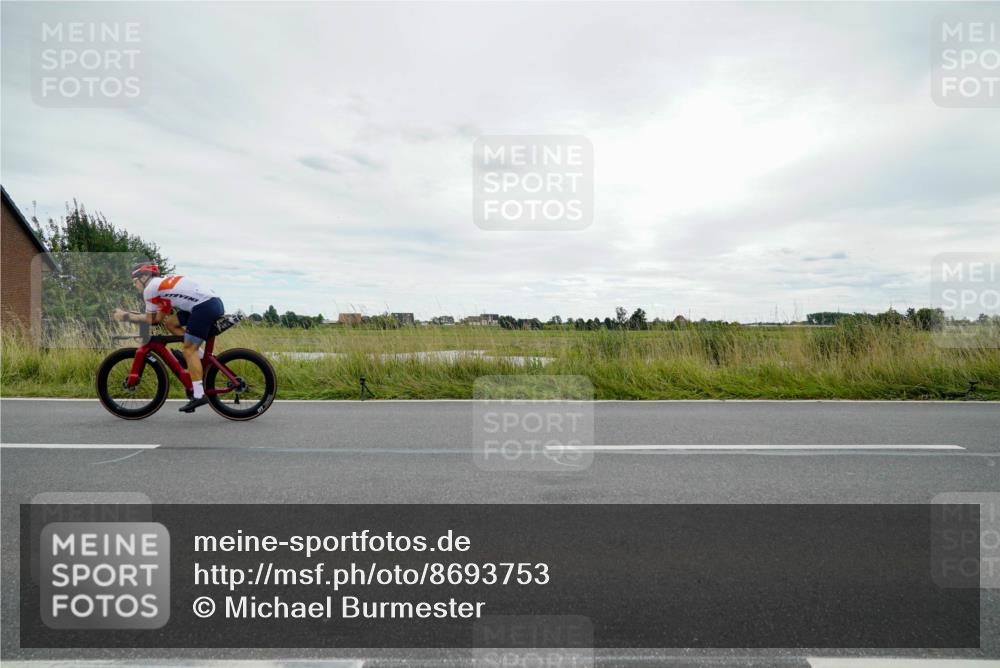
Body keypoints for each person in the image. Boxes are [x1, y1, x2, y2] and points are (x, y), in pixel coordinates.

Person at [114, 263, 225, 413]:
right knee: (171, 324)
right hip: (207, 303)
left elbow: (150, 319)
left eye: (135, 281)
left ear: (145, 277)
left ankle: (199, 395)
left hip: (204, 306)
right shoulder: (161, 288)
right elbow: (158, 319)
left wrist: (125, 316)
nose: (135, 285)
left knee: (188, 350)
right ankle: (199, 357)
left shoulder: (151, 288)